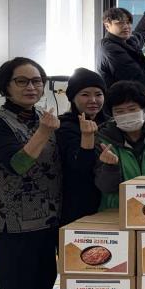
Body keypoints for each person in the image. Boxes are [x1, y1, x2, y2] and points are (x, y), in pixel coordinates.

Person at [0, 57, 61, 289]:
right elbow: (17, 165)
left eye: (36, 81)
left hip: (46, 218)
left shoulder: (42, 118)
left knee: (43, 282)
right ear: (6, 86)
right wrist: (44, 132)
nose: (31, 87)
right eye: (22, 81)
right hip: (12, 224)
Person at [94, 81, 145, 209]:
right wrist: (110, 167)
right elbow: (106, 188)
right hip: (117, 209)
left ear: (144, 108)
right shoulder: (102, 137)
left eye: (132, 109)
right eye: (119, 111)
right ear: (112, 114)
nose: (126, 115)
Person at [57, 68, 109, 225]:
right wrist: (87, 137)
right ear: (72, 98)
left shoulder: (110, 123)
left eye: (98, 94)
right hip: (78, 203)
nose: (93, 100)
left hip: (108, 199)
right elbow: (79, 167)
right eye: (85, 94)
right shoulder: (64, 126)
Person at [98, 2, 145, 93]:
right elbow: (136, 77)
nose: (126, 26)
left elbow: (141, 33)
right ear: (107, 26)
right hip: (122, 100)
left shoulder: (127, 41)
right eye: (120, 23)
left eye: (128, 22)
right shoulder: (109, 48)